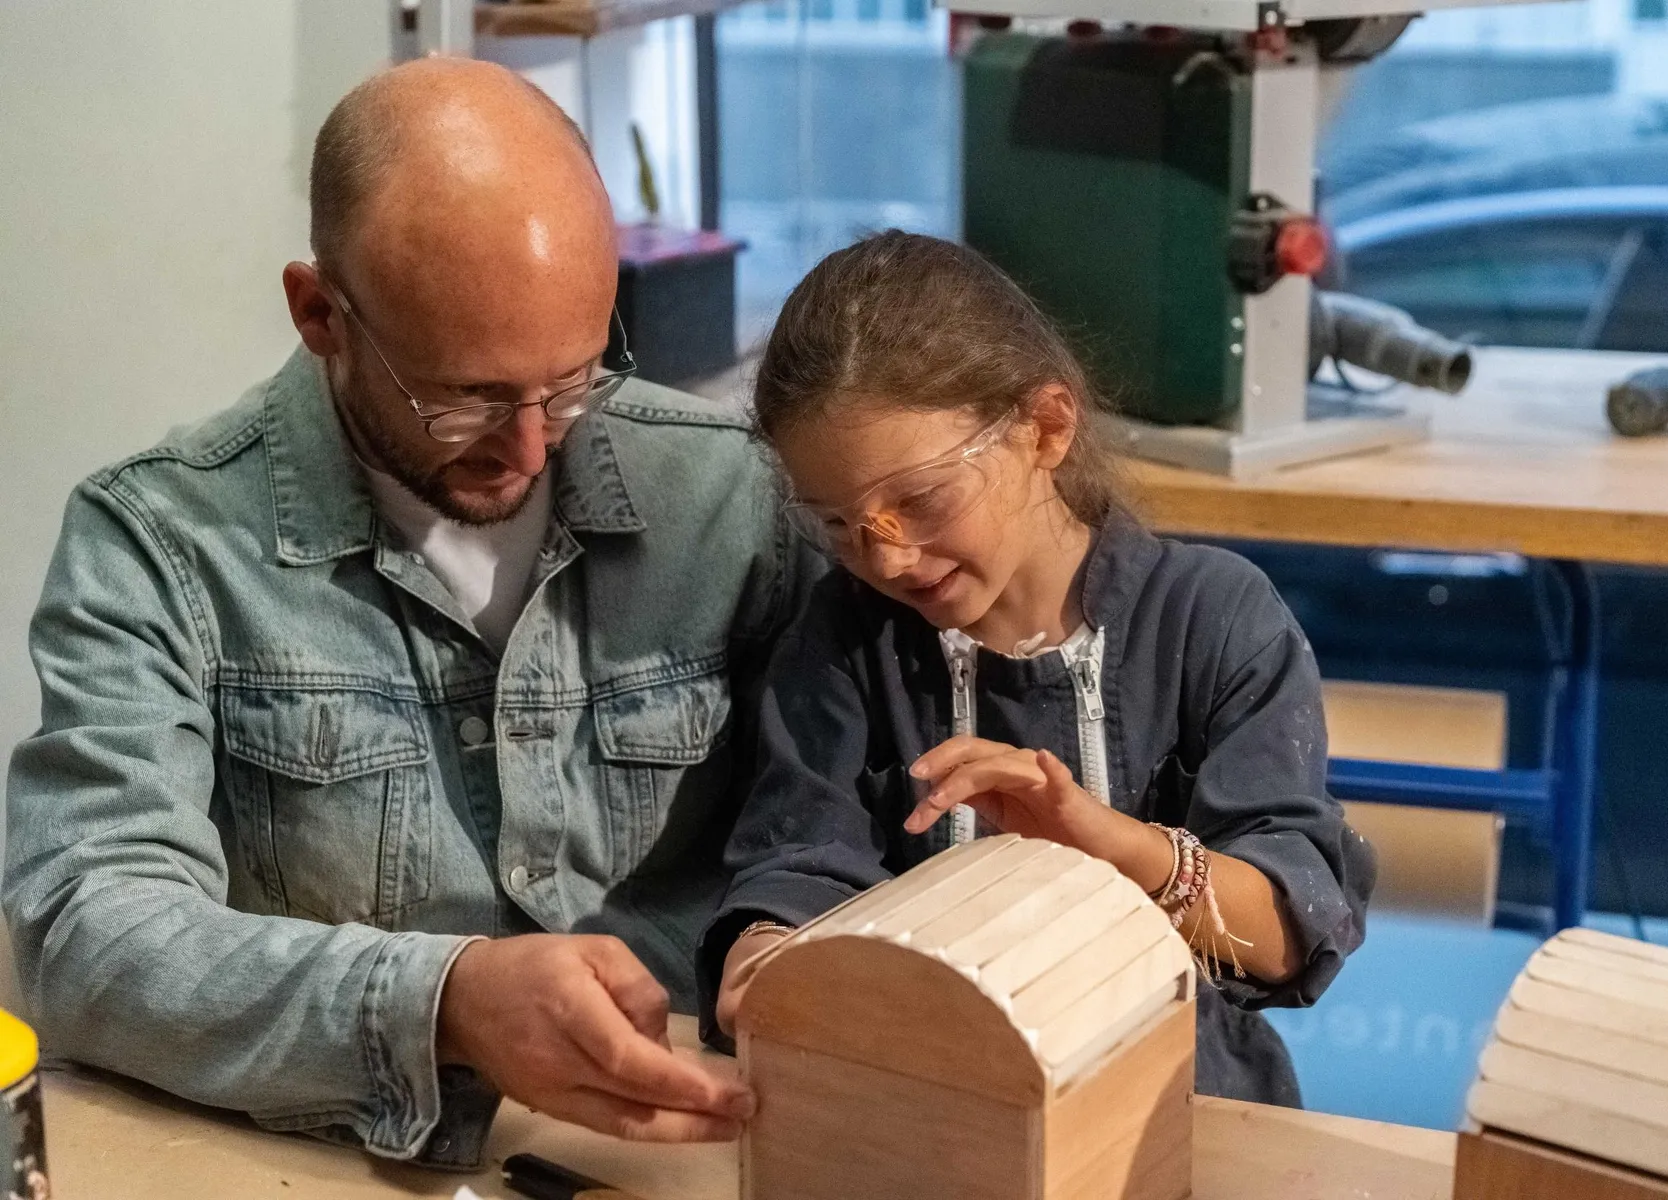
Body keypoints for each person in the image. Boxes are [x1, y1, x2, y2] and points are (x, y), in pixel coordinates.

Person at [4, 59, 816, 1165]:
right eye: (467, 398)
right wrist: (442, 1002)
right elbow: (87, 933)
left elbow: (848, 808)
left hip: (697, 1151)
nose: (534, 445)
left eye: (575, 379)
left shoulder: (730, 494)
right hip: (336, 1163)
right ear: (318, 314)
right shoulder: (158, 541)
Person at [702, 231, 1375, 1104]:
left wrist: (1108, 843)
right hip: (937, 1112)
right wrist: (765, 956)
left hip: (1182, 1108)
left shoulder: (1214, 620)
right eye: (836, 523)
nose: (887, 557)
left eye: (921, 500)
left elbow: (1285, 936)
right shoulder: (841, 638)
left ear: (1046, 428)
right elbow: (801, 862)